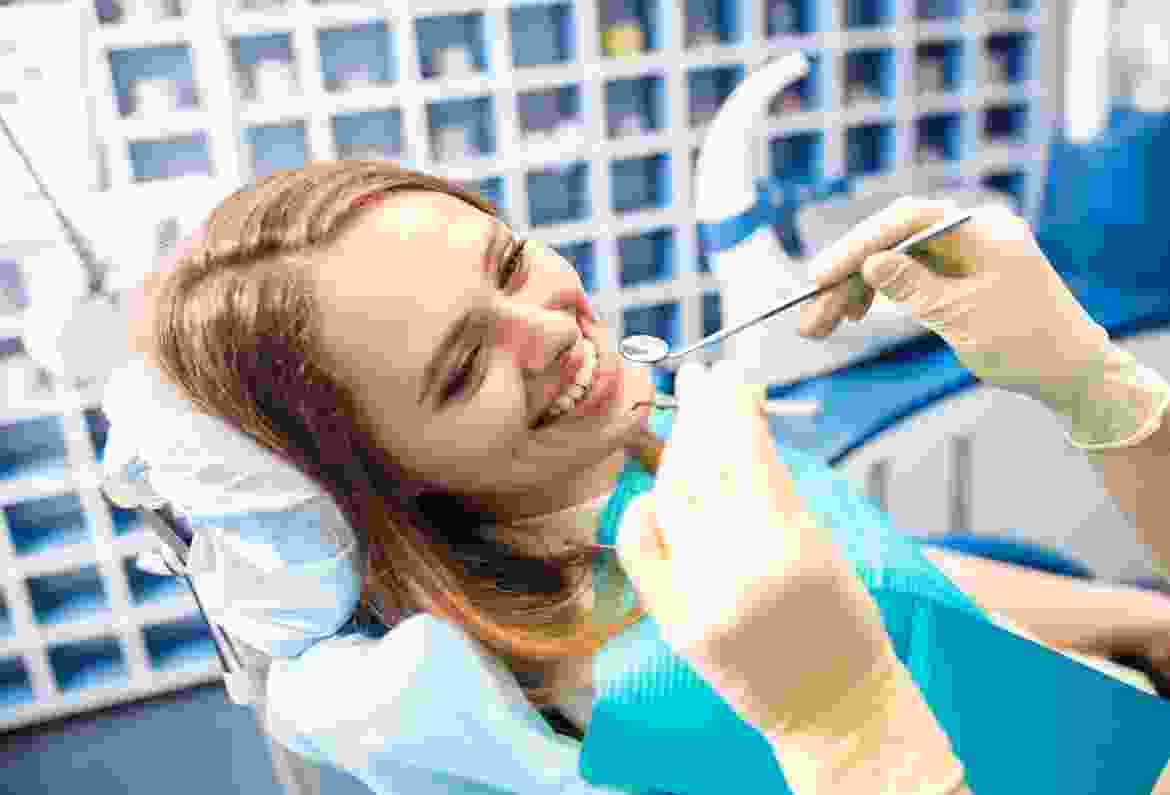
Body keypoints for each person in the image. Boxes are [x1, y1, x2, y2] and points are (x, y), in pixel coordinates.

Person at [102, 161, 1170, 794]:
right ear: (389, 486)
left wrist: (1144, 618)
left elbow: (899, 584)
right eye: (463, 368)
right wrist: (851, 734)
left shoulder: (641, 461)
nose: (549, 330)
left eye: (509, 261)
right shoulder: (643, 689)